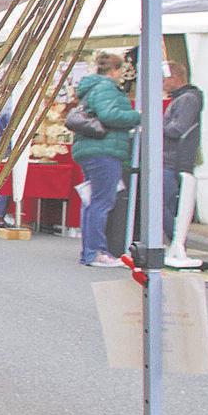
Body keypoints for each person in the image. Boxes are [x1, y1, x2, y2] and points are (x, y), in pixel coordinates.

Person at [72, 50, 142, 267]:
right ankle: (96, 252)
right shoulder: (106, 88)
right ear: (115, 70)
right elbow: (109, 115)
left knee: (93, 201)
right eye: (121, 70)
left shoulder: (92, 88)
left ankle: (91, 251)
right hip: (104, 149)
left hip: (92, 149)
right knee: (102, 201)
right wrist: (137, 116)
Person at [161, 60, 203, 241]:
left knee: (162, 204)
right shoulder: (185, 98)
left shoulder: (187, 99)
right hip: (174, 159)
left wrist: (158, 126)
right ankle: (176, 241)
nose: (161, 82)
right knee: (165, 203)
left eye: (164, 79)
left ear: (175, 77)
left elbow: (178, 129)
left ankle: (177, 241)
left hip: (174, 160)